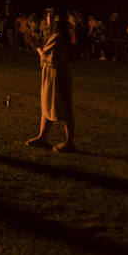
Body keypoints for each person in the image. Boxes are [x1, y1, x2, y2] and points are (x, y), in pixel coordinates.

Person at [27, 10, 75, 152]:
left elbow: (50, 59)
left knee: (64, 107)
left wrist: (37, 47)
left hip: (57, 75)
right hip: (53, 75)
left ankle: (69, 143)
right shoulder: (56, 36)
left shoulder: (58, 37)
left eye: (48, 17)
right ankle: (42, 137)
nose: (46, 19)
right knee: (47, 103)